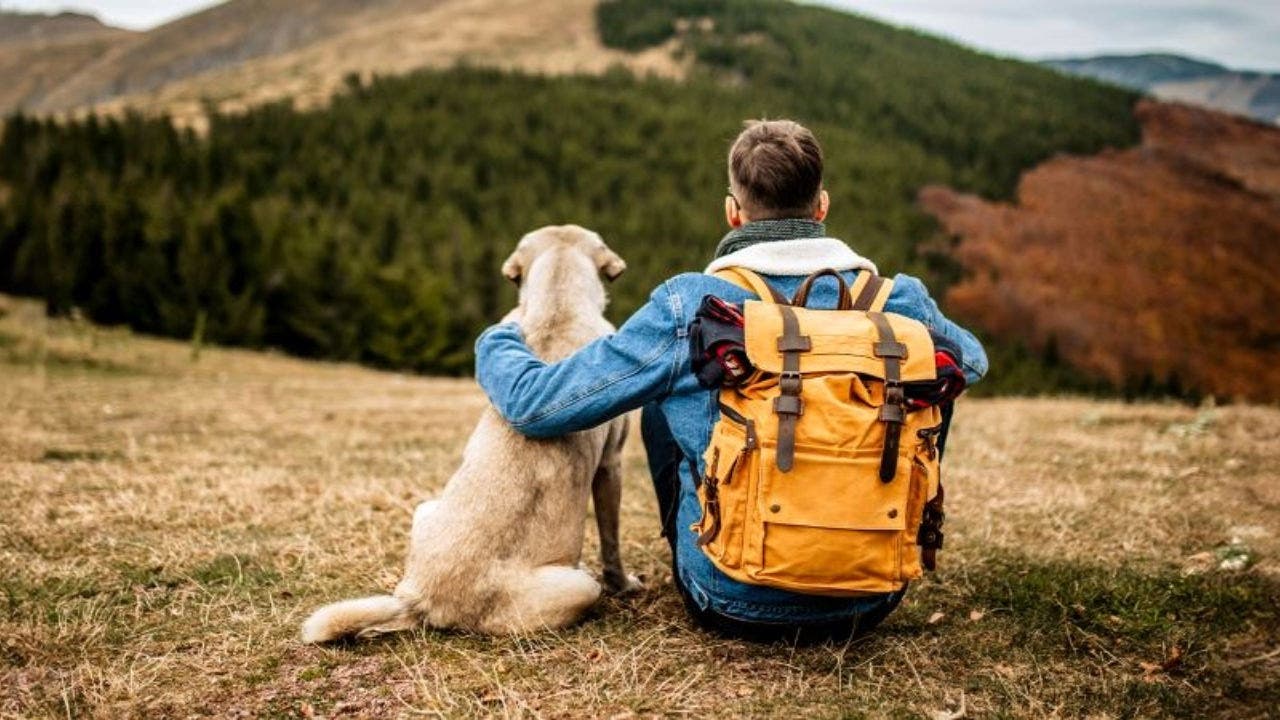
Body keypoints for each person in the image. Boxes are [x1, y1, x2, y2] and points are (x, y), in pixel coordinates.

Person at [474, 119, 988, 642]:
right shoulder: (898, 301)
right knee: (921, 377)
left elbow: (535, 405)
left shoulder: (694, 305)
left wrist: (499, 337)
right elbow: (970, 362)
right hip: (872, 594)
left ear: (733, 211)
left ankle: (708, 536)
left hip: (728, 596)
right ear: (822, 206)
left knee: (661, 397)